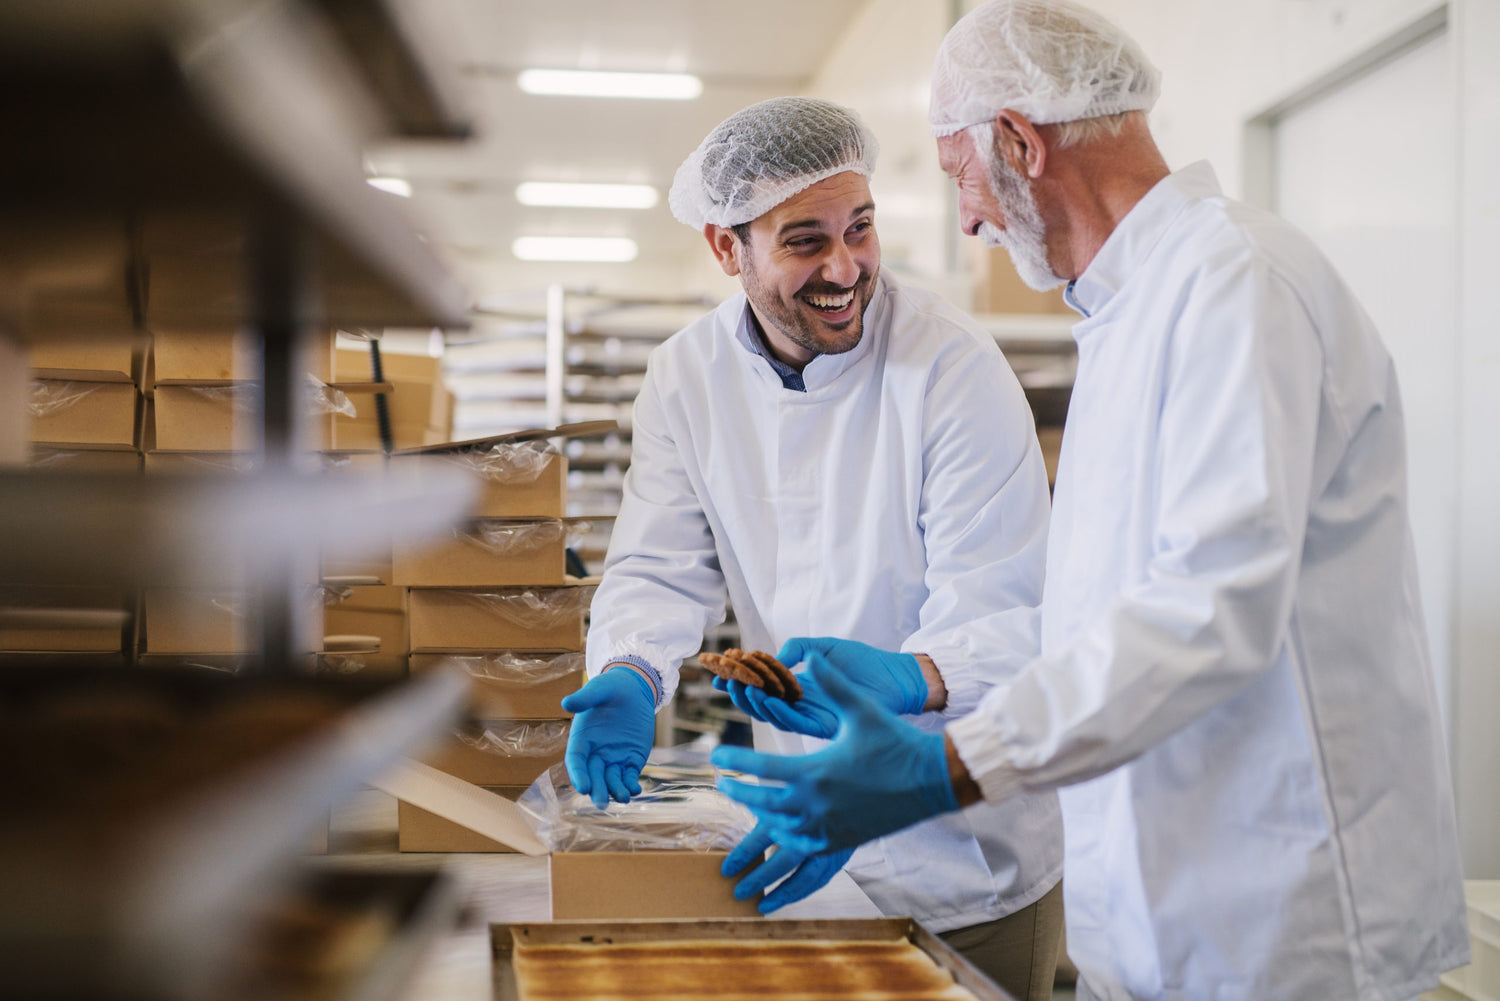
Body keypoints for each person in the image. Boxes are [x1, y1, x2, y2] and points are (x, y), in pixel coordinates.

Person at [711, 4, 1472, 1000]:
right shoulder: (1126, 312)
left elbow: (1207, 611)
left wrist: (946, 766)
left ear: (1020, 142)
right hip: (1155, 925)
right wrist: (926, 680)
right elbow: (1102, 619)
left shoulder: (1233, 283)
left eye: (958, 178)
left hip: (1282, 930)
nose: (970, 219)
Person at [560, 96, 1066, 1000]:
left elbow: (1010, 604)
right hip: (805, 840)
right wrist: (634, 667)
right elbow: (659, 562)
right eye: (804, 241)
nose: (846, 267)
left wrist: (912, 676)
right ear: (728, 247)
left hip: (965, 857)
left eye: (860, 228)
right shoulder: (687, 376)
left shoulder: (952, 367)